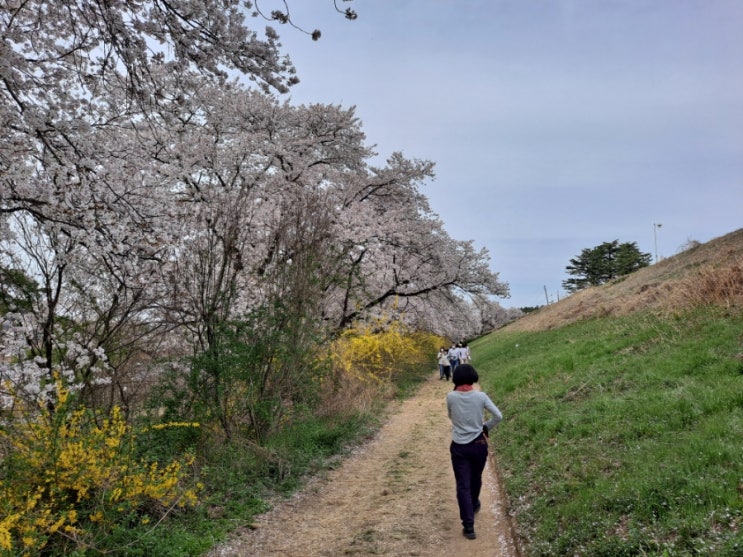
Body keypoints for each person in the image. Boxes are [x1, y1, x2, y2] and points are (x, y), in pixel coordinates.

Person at [446, 364, 502, 540]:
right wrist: (485, 427)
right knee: (476, 477)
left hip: (459, 446)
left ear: (456, 379)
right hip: (478, 444)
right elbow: (498, 416)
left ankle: (468, 526)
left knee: (462, 484)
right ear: (473, 378)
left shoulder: (451, 397)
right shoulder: (481, 396)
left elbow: (450, 416)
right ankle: (475, 502)